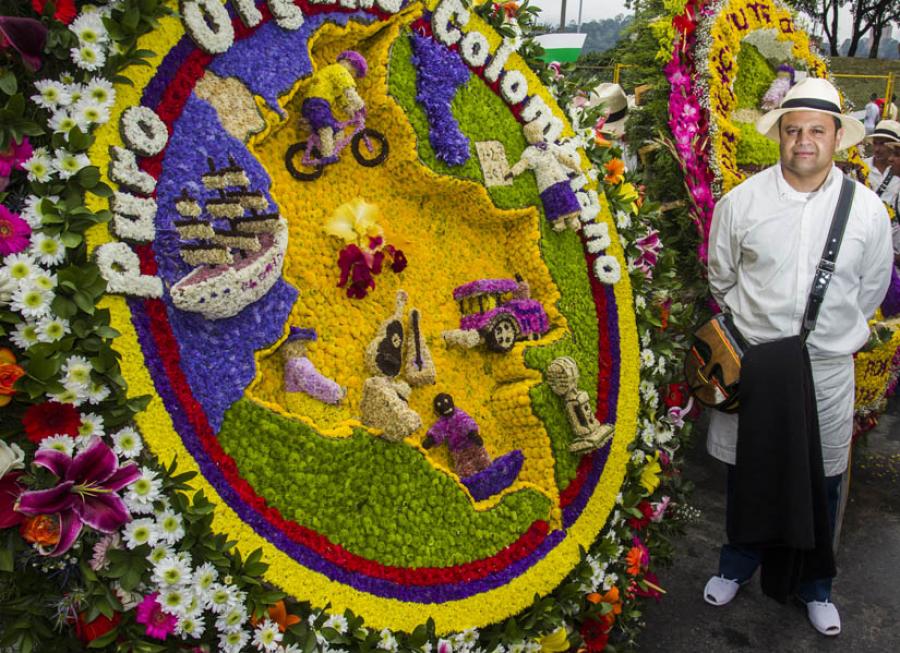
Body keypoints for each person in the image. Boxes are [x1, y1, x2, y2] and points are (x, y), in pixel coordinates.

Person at [704, 78, 892, 637]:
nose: (804, 141)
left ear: (837, 136)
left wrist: (823, 332)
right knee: (746, 471)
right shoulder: (741, 203)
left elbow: (871, 290)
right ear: (779, 136)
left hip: (825, 370)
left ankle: (816, 585)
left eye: (816, 130)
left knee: (825, 478)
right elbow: (721, 277)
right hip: (757, 367)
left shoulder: (867, 212)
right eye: (793, 130)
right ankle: (737, 563)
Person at [301, 50, 367, 162]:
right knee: (326, 128)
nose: (353, 76)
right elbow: (349, 92)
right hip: (317, 102)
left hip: (319, 104)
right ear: (349, 62)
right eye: (355, 72)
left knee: (338, 130)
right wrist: (360, 106)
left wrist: (351, 112)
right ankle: (327, 155)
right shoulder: (339, 70)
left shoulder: (335, 77)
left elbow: (342, 99)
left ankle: (326, 149)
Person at [862, 119, 900, 209]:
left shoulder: (898, 170)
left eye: (882, 144)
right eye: (875, 143)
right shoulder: (861, 166)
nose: (877, 149)